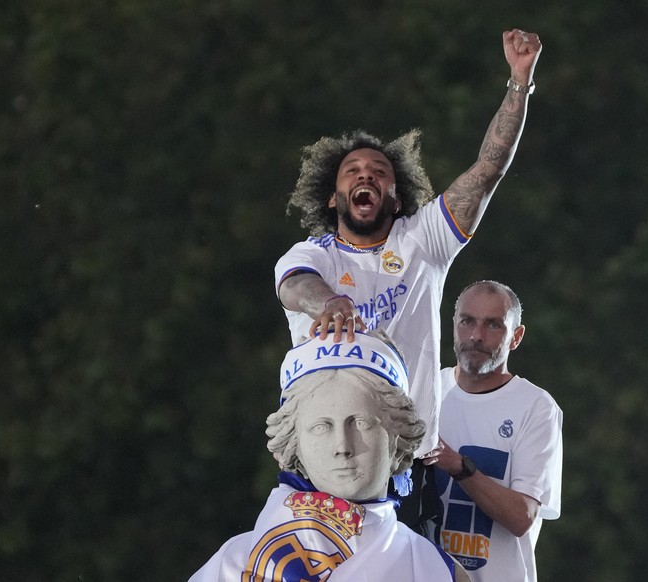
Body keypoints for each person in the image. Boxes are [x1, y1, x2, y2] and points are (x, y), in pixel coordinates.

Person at [274, 29, 543, 524]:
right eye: (351, 171)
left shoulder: (422, 242)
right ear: (332, 197)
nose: (365, 176)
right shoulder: (312, 253)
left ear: (396, 198)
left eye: (378, 172)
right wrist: (327, 304)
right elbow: (294, 286)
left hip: (403, 464)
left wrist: (519, 82)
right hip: (321, 458)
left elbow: (487, 170)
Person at [189, 331, 470, 581]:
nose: (342, 446)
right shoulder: (231, 567)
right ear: (293, 444)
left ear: (399, 439)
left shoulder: (437, 571)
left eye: (361, 423)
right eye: (321, 427)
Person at [426, 281, 563, 582]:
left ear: (516, 337)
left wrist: (459, 467)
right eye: (467, 321)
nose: (476, 336)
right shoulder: (424, 392)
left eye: (493, 325)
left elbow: (521, 518)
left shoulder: (537, 407)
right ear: (453, 325)